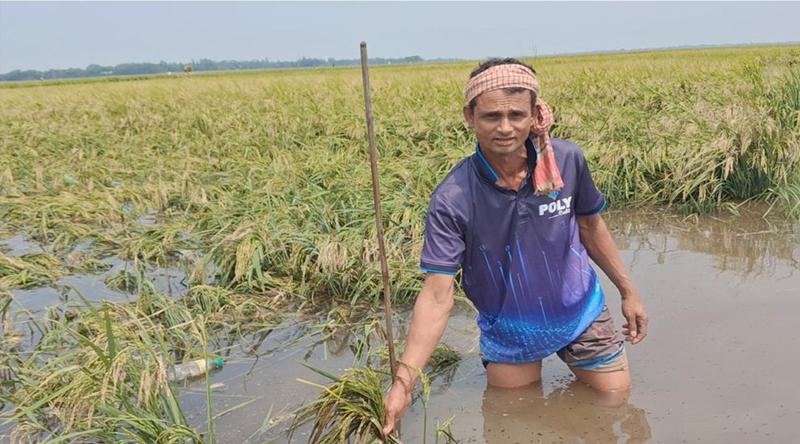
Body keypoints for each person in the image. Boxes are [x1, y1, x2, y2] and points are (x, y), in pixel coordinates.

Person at [382, 58, 649, 435]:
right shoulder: (453, 197)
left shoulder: (566, 161)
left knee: (612, 406)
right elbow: (438, 295)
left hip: (580, 313)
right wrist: (403, 383)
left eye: (515, 114)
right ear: (469, 117)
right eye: (491, 116)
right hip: (509, 328)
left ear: (534, 114)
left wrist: (629, 291)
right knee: (512, 422)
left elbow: (591, 225)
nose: (505, 128)